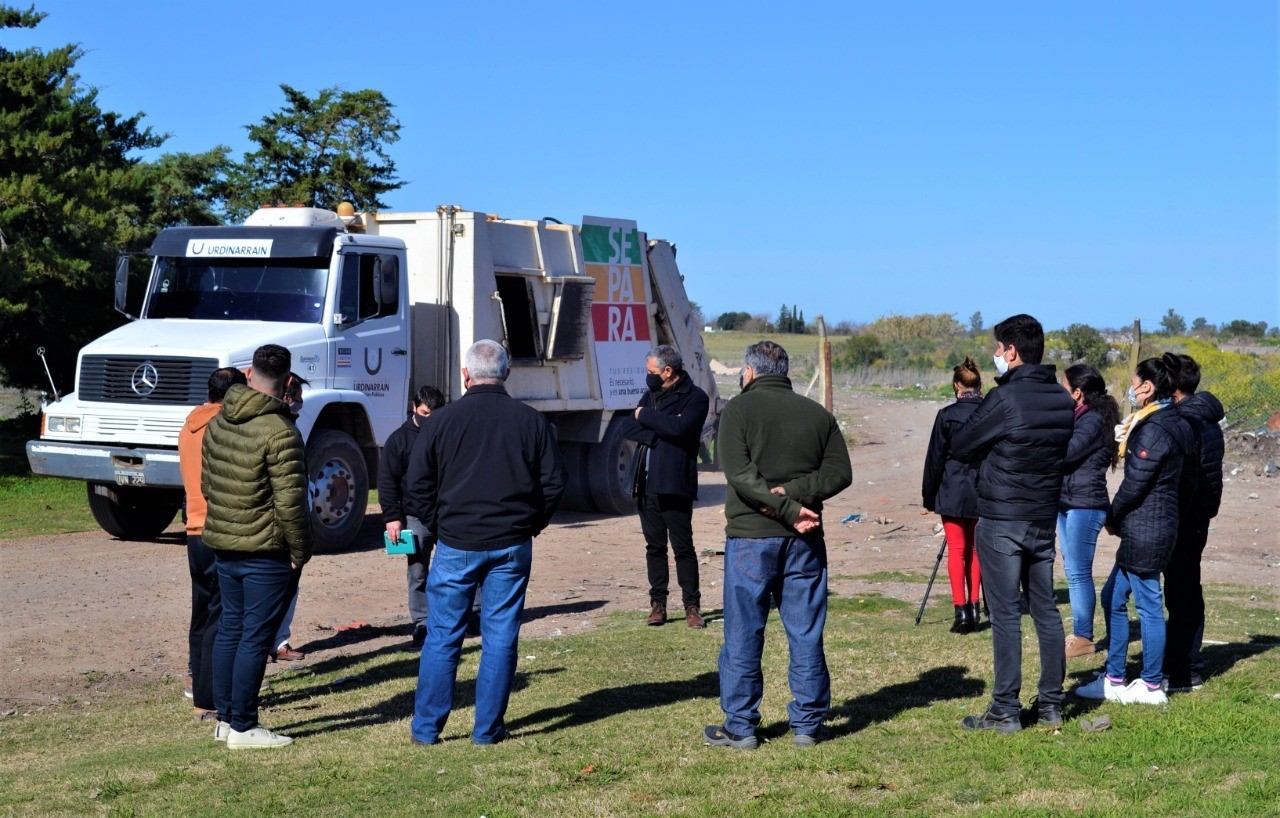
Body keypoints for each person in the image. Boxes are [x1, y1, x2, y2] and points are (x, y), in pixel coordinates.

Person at [405, 340, 565, 745]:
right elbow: (553, 485)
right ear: (507, 373)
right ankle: (487, 729)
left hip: (461, 542)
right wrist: (530, 525)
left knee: (443, 636)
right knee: (499, 636)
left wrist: (440, 527)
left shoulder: (440, 422)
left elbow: (417, 485)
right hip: (508, 543)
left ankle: (427, 730)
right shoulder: (531, 421)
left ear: (465, 375)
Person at [703, 340, 852, 750]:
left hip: (753, 537)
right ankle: (807, 723)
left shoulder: (736, 411)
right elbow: (841, 472)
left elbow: (740, 476)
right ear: (783, 371)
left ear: (748, 372)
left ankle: (741, 725)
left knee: (743, 631)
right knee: (805, 631)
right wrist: (796, 499)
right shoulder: (817, 414)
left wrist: (784, 501)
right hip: (804, 536)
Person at [951, 314, 1075, 732]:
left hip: (1003, 516)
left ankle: (1005, 709)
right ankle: (1051, 704)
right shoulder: (1062, 398)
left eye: (999, 349)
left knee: (1005, 614)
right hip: (1042, 515)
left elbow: (963, 442)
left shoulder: (1005, 399)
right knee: (1045, 611)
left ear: (1013, 351)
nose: (996, 356)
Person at [202, 344, 312, 748]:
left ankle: (227, 720)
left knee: (231, 628)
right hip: (265, 551)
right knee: (254, 637)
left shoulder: (218, 422)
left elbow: (207, 486)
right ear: (287, 383)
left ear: (249, 373)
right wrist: (300, 552)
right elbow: (291, 504)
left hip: (225, 544)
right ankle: (244, 727)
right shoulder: (282, 431)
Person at [1076, 354, 1191, 705]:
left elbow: (1136, 484)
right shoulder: (1159, 420)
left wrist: (1111, 516)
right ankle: (1113, 678)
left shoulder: (1157, 427)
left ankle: (1152, 684)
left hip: (1148, 527)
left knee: (1149, 605)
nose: (1131, 388)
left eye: (1135, 381)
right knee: (1112, 596)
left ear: (1148, 386)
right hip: (1146, 526)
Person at [623, 344, 711, 628]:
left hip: (675, 483)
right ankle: (658, 603)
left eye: (651, 372)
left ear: (668, 371)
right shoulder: (651, 395)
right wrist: (664, 426)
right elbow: (630, 428)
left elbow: (682, 429)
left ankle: (692, 606)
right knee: (655, 547)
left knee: (683, 548)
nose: (648, 377)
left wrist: (646, 417)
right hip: (646, 484)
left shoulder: (696, 397)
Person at [178, 367, 247, 721]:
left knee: (202, 613)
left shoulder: (190, 424)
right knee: (222, 617)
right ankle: (210, 697)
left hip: (193, 528)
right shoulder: (223, 427)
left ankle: (197, 685)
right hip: (219, 528)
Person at [1163, 354, 1224, 692]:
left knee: (1181, 592)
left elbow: (1188, 478)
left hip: (1186, 516)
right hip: (1198, 514)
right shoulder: (1204, 416)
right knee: (1186, 589)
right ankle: (1186, 662)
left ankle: (1184, 668)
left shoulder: (1188, 421)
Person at [1056, 364, 1120, 659]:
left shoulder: (1092, 420)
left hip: (1086, 504)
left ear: (1077, 392)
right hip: (1069, 501)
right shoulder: (1079, 415)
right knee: (1072, 570)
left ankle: (1083, 637)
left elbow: (1067, 451)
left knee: (1079, 572)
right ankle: (1080, 634)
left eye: (1063, 386)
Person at [379, 384, 447, 647]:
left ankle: (471, 615)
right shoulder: (399, 440)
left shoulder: (446, 434)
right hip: (416, 517)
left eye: (435, 413)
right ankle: (422, 622)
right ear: (414, 407)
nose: (429, 418)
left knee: (461, 566)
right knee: (418, 571)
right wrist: (392, 517)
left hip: (446, 513)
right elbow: (387, 482)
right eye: (424, 412)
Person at [921, 357, 985, 634]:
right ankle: (974, 607)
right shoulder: (989, 412)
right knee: (975, 550)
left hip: (951, 489)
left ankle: (961, 612)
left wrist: (928, 495)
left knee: (957, 550)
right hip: (982, 488)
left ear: (957, 386)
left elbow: (934, 459)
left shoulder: (946, 415)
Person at [268, 372, 310, 663]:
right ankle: (267, 645)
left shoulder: (290, 424)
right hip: (274, 526)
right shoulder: (276, 428)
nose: (300, 403)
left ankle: (280, 641)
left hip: (291, 520)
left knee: (290, 585)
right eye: (296, 396)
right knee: (273, 588)